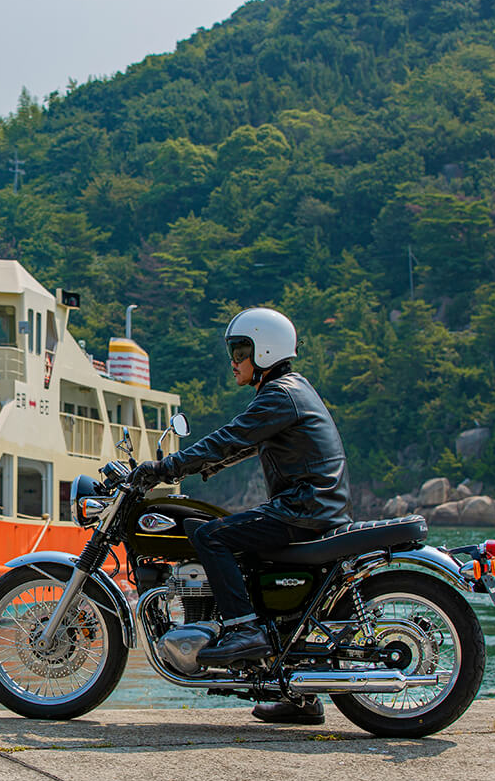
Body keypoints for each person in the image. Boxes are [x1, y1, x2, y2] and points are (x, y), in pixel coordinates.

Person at [130, 307, 350, 725]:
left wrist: (166, 468)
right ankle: (293, 693)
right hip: (312, 507)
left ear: (264, 350)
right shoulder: (289, 391)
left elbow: (231, 436)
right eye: (232, 350)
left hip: (302, 509)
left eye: (239, 350)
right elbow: (245, 444)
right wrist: (204, 469)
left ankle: (244, 630)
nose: (233, 361)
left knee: (211, 537)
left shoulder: (280, 394)